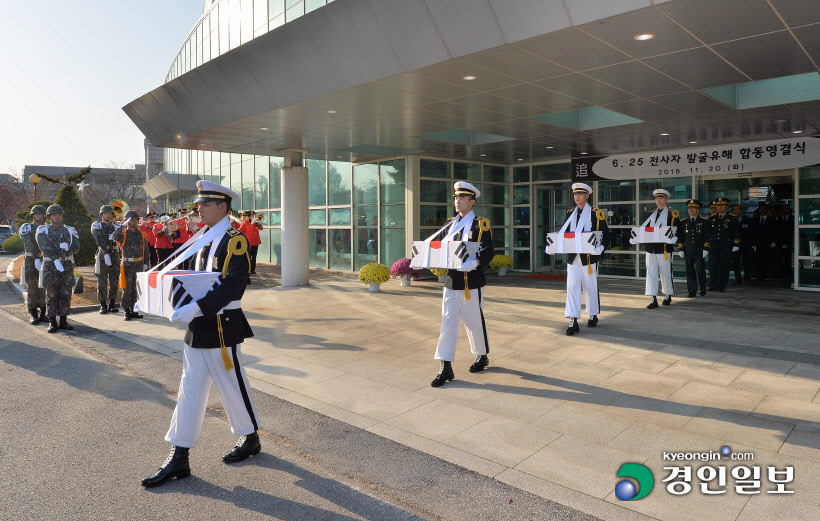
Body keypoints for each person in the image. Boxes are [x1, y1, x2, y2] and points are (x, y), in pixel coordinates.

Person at [142, 180, 260, 488]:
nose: (199, 209)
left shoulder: (234, 240)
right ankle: (179, 456)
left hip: (221, 326)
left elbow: (234, 284)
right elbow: (192, 278)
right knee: (189, 390)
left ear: (223, 207)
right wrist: (168, 299)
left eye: (205, 204)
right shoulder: (202, 238)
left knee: (233, 385)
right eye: (199, 204)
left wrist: (196, 308)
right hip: (199, 328)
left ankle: (250, 438)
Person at [428, 181, 494, 387]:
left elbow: (488, 251)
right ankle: (445, 366)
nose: (457, 201)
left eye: (462, 198)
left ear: (472, 202)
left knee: (474, 322)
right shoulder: (450, 224)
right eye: (456, 198)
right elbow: (437, 244)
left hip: (471, 282)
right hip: (451, 281)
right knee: (448, 324)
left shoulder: (481, 224)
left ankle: (481, 355)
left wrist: (475, 262)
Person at [558, 182, 609, 335]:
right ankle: (573, 320)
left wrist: (601, 248)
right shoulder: (570, 213)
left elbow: (606, 234)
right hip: (573, 258)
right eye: (575, 194)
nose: (577, 197)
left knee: (590, 287)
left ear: (587, 195)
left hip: (589, 258)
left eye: (580, 194)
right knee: (572, 288)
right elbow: (565, 234)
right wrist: (555, 245)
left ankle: (593, 314)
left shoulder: (596, 213)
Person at [35, 205, 80, 333]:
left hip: (66, 265)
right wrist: (55, 258)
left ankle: (64, 321)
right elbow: (44, 246)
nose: (57, 217)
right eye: (54, 215)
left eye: (59, 215)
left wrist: (68, 249)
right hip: (50, 266)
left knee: (65, 294)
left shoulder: (69, 231)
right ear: (49, 217)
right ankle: (52, 321)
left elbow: (76, 247)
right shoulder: (43, 230)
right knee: (51, 294)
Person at [642, 189, 679, 308]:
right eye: (657, 198)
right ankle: (653, 298)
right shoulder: (650, 214)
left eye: (661, 198)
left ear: (666, 199)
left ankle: (668, 294)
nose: (659, 200)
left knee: (666, 273)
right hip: (651, 249)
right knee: (651, 274)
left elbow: (679, 230)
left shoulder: (672, 214)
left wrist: (675, 239)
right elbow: (645, 230)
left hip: (664, 249)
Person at [113, 210, 150, 321]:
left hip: (138, 263)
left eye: (135, 219)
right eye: (131, 219)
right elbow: (115, 236)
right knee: (127, 288)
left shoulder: (141, 233)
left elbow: (146, 250)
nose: (134, 221)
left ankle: (134, 309)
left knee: (136, 288)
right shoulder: (123, 233)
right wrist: (122, 225)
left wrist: (146, 263)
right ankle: (126, 310)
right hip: (127, 264)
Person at [19, 204, 47, 324]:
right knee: (32, 286)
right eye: (37, 214)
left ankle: (43, 312)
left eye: (41, 214)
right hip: (31, 260)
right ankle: (33, 313)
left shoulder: (47, 228)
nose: (40, 216)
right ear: (33, 215)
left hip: (45, 260)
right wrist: (36, 257)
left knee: (44, 286)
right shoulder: (27, 227)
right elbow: (29, 243)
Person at [704, 197, 739, 292]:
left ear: (726, 207)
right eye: (718, 205)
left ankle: (722, 285)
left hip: (726, 247)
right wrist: (706, 246)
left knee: (724, 267)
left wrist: (736, 244)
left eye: (722, 205)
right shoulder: (711, 219)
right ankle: (714, 284)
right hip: (713, 247)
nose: (719, 207)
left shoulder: (732, 218)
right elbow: (708, 234)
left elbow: (736, 232)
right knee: (713, 266)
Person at [91, 205, 121, 314]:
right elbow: (98, 238)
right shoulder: (97, 225)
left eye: (110, 213)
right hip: (103, 254)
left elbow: (120, 238)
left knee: (114, 280)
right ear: (102, 215)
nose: (108, 215)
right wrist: (106, 252)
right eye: (106, 213)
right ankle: (103, 305)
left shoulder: (117, 226)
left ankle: (112, 304)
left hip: (115, 254)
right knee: (102, 280)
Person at [677, 200, 710, 298]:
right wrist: (681, 249)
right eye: (689, 208)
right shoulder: (683, 222)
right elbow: (681, 237)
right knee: (690, 272)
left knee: (700, 270)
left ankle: (703, 288)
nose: (691, 210)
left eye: (693, 208)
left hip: (700, 251)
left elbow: (707, 236)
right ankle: (692, 291)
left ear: (698, 210)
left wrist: (706, 248)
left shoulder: (704, 221)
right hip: (688, 250)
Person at [751, 202, 774, 280]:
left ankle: (766, 274)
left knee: (766, 259)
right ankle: (758, 274)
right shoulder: (755, 219)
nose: (762, 211)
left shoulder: (771, 220)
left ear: (767, 210)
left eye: (764, 209)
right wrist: (753, 243)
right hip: (758, 243)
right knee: (758, 259)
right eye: (761, 209)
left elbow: (775, 231)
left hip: (767, 243)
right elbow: (752, 232)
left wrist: (773, 241)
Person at [238, 210, 263, 278]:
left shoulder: (248, 224)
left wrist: (256, 222)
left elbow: (261, 228)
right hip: (249, 242)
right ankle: (248, 273)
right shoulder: (248, 224)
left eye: (245, 216)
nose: (243, 217)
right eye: (243, 216)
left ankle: (251, 270)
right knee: (248, 258)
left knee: (251, 257)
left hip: (251, 242)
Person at [731, 204, 752, 285]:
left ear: (741, 211)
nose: (736, 212)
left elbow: (750, 232)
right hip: (735, 245)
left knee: (746, 262)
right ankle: (738, 278)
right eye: (734, 210)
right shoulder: (731, 220)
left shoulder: (747, 220)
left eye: (738, 210)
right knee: (735, 263)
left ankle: (747, 277)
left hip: (745, 244)